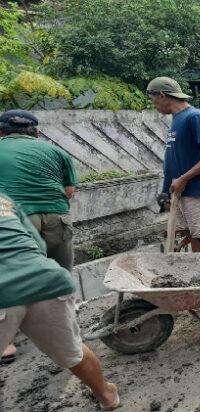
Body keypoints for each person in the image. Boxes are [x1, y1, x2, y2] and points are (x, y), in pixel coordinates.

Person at [0, 193, 120, 410]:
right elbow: (38, 244)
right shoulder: (3, 199)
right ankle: (107, 396)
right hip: (46, 279)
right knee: (74, 352)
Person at [0, 109, 78, 363]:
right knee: (60, 272)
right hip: (58, 217)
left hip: (18, 220)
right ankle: (67, 329)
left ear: (1, 132)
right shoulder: (56, 152)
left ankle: (6, 342)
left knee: (9, 274)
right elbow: (69, 191)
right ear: (36, 133)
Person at [147, 77, 200, 253]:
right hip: (181, 191)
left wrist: (183, 179)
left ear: (162, 95)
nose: (153, 105)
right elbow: (176, 158)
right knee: (194, 234)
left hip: (196, 190)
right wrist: (166, 191)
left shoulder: (194, 117)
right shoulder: (177, 119)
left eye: (153, 100)